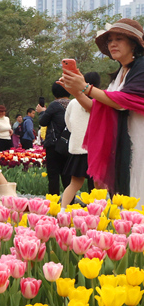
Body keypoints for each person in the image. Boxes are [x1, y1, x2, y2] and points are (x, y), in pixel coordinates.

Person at [58, 18, 144, 198]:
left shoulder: (141, 68)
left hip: (139, 143)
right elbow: (98, 107)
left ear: (133, 43)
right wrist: (77, 92)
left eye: (119, 39)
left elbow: (123, 102)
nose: (112, 44)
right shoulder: (121, 73)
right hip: (124, 145)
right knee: (125, 196)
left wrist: (85, 88)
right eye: (110, 40)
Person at [58, 72, 101, 207]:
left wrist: (77, 133)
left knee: (74, 183)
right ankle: (99, 212)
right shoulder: (100, 101)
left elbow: (68, 124)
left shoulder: (73, 103)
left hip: (78, 148)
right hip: (95, 149)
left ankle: (62, 210)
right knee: (98, 185)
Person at [38, 82, 72, 196]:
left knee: (53, 176)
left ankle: (54, 201)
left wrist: (42, 112)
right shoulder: (74, 104)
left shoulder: (54, 105)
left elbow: (43, 122)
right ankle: (70, 202)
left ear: (54, 93)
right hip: (69, 144)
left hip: (54, 145)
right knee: (67, 177)